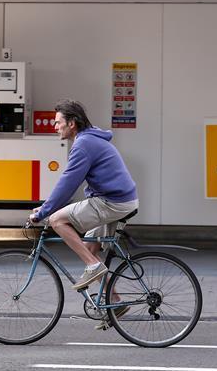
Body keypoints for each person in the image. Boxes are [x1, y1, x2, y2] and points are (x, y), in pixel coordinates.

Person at [30, 100, 139, 299]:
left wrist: (45, 211)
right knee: (89, 249)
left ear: (71, 123)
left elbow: (68, 183)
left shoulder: (83, 144)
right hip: (120, 200)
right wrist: (46, 206)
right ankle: (114, 301)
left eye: (58, 122)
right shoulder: (90, 139)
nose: (55, 127)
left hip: (113, 202)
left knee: (56, 220)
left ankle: (94, 266)